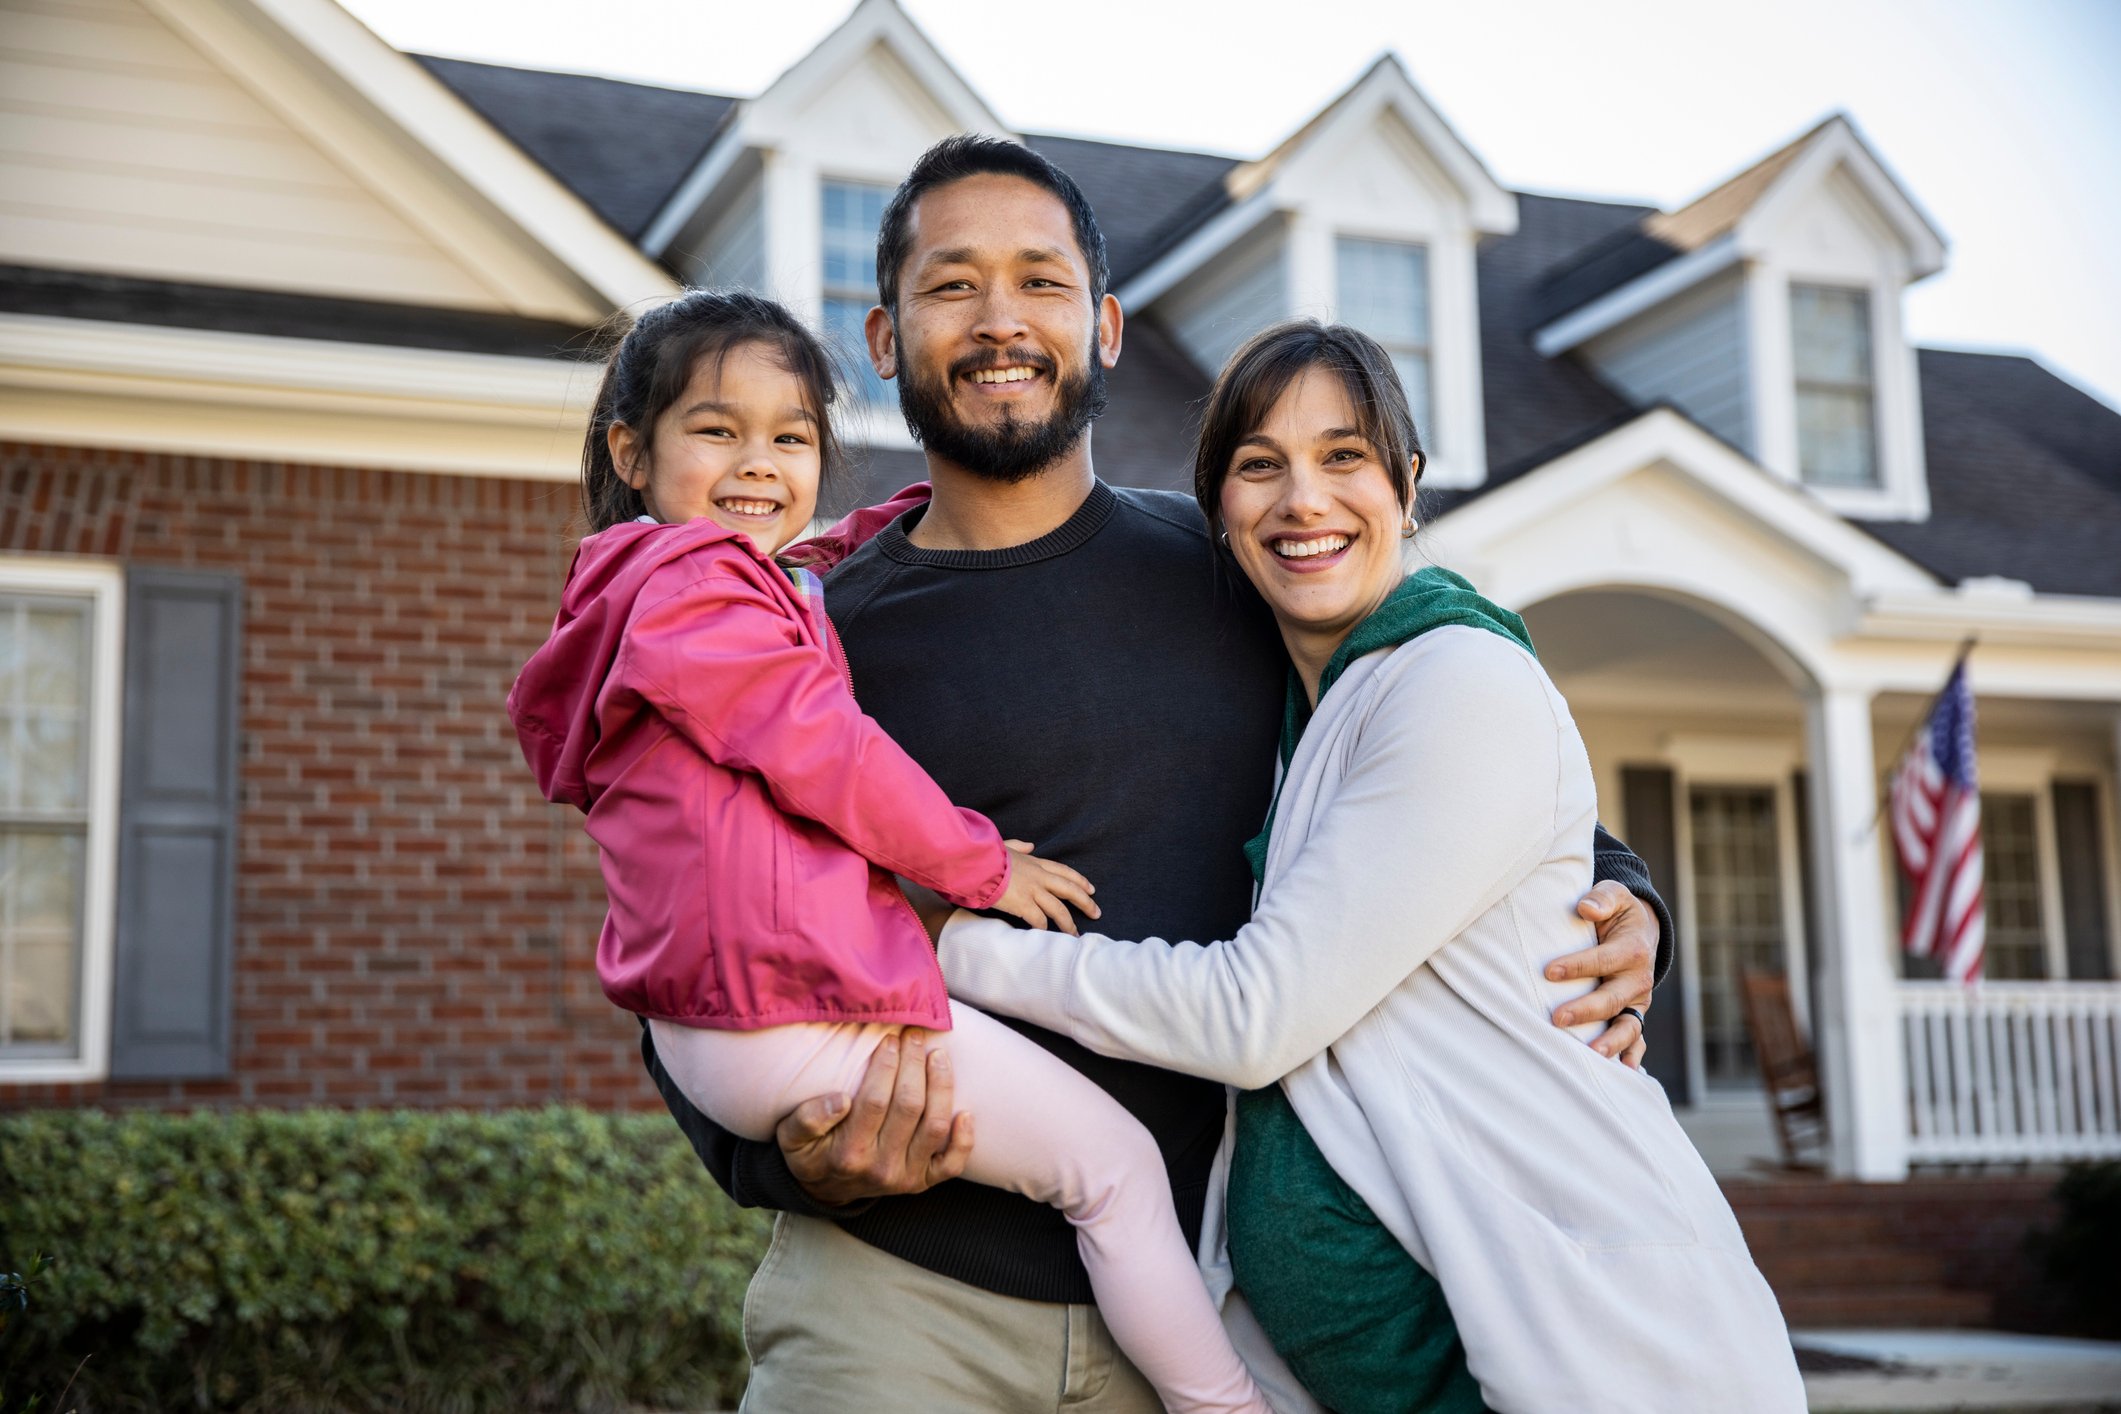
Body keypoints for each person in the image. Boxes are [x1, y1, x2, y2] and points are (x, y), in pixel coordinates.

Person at [641, 137, 1676, 1413]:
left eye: (1042, 280)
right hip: (896, 1302)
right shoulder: (806, 634)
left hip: (1201, 1311)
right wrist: (793, 1166)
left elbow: (1456, 732)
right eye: (953, 285)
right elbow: (678, 927)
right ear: (884, 337)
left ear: (1108, 325)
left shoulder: (1243, 560)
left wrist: (1626, 895)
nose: (1002, 319)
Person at [927, 320, 1807, 1413]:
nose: (1304, 500)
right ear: (1220, 510)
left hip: (1587, 1345)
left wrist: (953, 951)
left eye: (1344, 456)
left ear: (1408, 482)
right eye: (1261, 465)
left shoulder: (1459, 678)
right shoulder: (1302, 693)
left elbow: (1259, 1013)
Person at [507, 289, 1270, 1413]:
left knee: (1108, 1178)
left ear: (1105, 319)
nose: (757, 461)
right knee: (1116, 1174)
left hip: (732, 1021)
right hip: (805, 1051)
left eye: (791, 436)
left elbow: (1395, 716)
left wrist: (1616, 880)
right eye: (717, 430)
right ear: (632, 448)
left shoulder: (683, 593)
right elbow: (825, 747)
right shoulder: (701, 600)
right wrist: (980, 863)